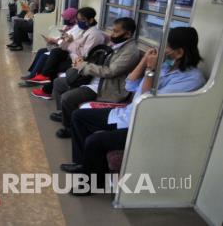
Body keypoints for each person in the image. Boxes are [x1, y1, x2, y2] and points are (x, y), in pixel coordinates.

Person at [62, 27, 206, 195]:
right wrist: (145, 61)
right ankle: (84, 167)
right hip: (128, 114)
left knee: (95, 141)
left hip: (145, 125)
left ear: (179, 52)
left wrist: (151, 72)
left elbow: (147, 103)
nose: (161, 51)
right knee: (79, 116)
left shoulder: (191, 79)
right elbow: (130, 84)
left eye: (166, 48)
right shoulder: (166, 68)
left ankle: (94, 183)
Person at [52, 17, 141, 138]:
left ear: (128, 33)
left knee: (67, 98)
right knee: (58, 83)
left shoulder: (130, 52)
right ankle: (64, 114)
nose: (112, 34)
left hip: (106, 87)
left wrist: (85, 66)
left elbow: (110, 72)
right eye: (112, 31)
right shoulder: (116, 44)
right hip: (95, 79)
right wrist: (83, 61)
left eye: (116, 32)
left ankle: (70, 128)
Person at [29, 7, 106, 99]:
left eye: (82, 20)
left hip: (81, 61)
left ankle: (47, 88)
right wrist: (69, 40)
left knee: (56, 64)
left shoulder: (95, 35)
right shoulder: (85, 29)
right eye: (78, 19)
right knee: (56, 52)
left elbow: (85, 54)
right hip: (73, 55)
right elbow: (77, 45)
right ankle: (45, 79)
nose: (78, 22)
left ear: (91, 20)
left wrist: (70, 43)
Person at [19, 7, 78, 84]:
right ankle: (33, 74)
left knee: (44, 55)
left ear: (72, 19)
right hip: (60, 46)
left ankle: (35, 76)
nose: (65, 20)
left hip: (65, 51)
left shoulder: (76, 29)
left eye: (66, 18)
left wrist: (55, 41)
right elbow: (63, 39)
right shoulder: (67, 27)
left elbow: (69, 43)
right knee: (41, 51)